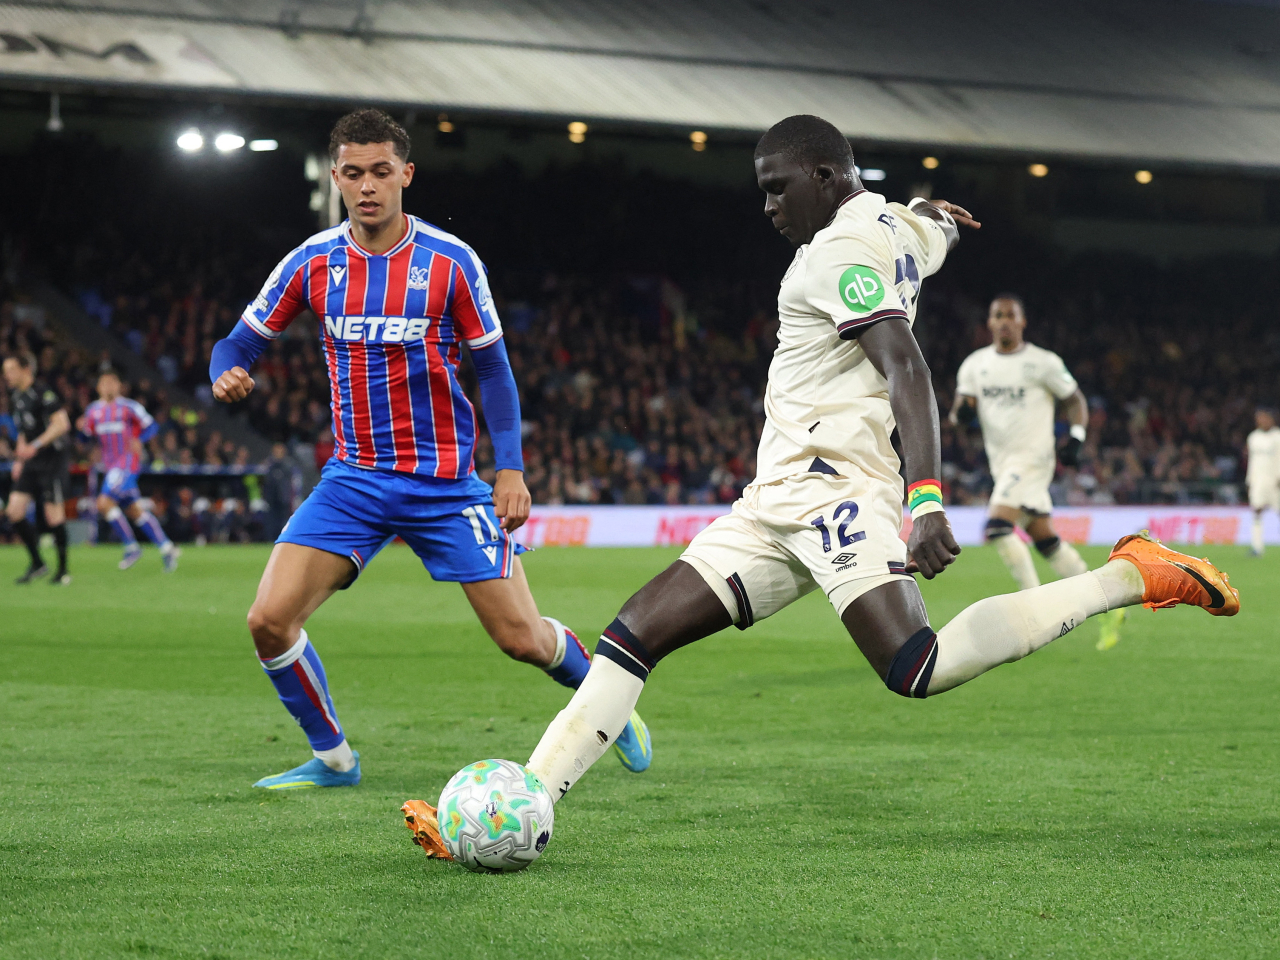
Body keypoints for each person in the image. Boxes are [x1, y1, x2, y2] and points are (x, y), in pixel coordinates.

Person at [402, 114, 1239, 857]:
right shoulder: (898, 227)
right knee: (632, 634)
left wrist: (926, 500)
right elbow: (928, 231)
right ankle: (532, 805)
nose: (767, 207)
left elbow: (905, 362)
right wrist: (939, 215)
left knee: (918, 664)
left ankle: (1130, 575)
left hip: (838, 490)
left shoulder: (835, 254)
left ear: (827, 176)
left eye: (777, 188)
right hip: (773, 499)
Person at [209, 108, 650, 790]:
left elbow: (495, 370)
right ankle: (334, 761)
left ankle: (610, 706)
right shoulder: (311, 262)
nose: (367, 187)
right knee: (269, 620)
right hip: (352, 480)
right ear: (335, 177)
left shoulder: (449, 262)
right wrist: (224, 371)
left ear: (406, 175)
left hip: (446, 485)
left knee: (522, 639)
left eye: (381, 172)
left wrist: (510, 468)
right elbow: (239, 341)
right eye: (352, 173)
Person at [949, 296, 1126, 649]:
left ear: (1022, 322)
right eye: (997, 315)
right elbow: (960, 411)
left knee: (997, 527)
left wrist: (1075, 437)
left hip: (1032, 459)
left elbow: (1075, 400)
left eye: (1010, 316)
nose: (1003, 322)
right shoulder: (975, 365)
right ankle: (1109, 599)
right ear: (989, 322)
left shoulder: (1042, 362)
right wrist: (962, 417)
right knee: (1046, 541)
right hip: (1002, 464)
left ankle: (1033, 610)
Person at [78, 369, 179, 571]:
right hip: (110, 466)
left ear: (118, 386)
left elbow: (151, 426)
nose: (108, 386)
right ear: (98, 387)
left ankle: (131, 547)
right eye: (104, 383)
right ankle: (167, 548)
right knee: (134, 510)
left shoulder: (129, 407)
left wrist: (138, 440)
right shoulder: (93, 411)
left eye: (112, 382)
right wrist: (80, 430)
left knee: (104, 502)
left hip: (127, 463)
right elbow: (85, 439)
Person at [3, 353, 72, 585]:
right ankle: (37, 563)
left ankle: (63, 571)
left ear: (25, 369)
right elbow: (24, 430)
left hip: (51, 460)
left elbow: (62, 424)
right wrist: (19, 460)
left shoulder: (44, 393)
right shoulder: (17, 397)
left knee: (53, 515)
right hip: (31, 462)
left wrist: (36, 445)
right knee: (14, 511)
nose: (6, 375)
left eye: (11, 369)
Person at [1245, 407, 1280, 556]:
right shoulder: (1253, 437)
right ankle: (1257, 547)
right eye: (1259, 418)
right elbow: (1251, 461)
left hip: (1275, 481)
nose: (1261, 421)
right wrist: (1249, 480)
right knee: (1257, 511)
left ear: (1271, 418)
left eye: (1264, 417)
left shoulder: (1277, 436)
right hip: (1258, 481)